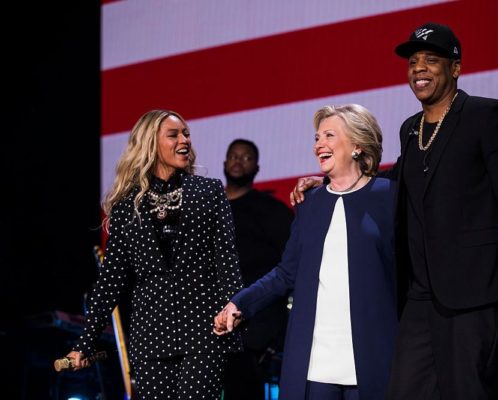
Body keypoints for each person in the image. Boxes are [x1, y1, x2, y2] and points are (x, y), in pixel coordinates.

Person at [291, 22, 498, 399]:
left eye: (431, 60)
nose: (419, 68)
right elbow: (397, 179)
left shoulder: (488, 116)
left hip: (475, 294)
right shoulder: (411, 129)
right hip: (421, 298)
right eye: (413, 62)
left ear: (455, 68)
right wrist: (330, 181)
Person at [214, 104, 397, 400]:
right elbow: (287, 272)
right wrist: (240, 304)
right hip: (316, 358)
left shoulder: (389, 196)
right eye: (316, 137)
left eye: (329, 135)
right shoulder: (310, 202)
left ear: (357, 145)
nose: (318, 145)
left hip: (372, 352)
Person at [64, 109, 243, 400]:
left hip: (204, 330)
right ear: (150, 144)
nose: (184, 140)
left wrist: (235, 307)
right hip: (151, 335)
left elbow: (227, 260)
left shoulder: (209, 192)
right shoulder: (126, 207)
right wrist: (86, 342)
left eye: (186, 133)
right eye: (173, 134)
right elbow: (110, 282)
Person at [221, 139, 294, 399]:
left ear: (257, 167)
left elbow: (291, 267)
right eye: (234, 156)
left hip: (253, 335)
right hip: (207, 330)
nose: (239, 161)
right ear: (224, 162)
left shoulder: (272, 213)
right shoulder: (208, 211)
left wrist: (271, 334)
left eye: (246, 157)